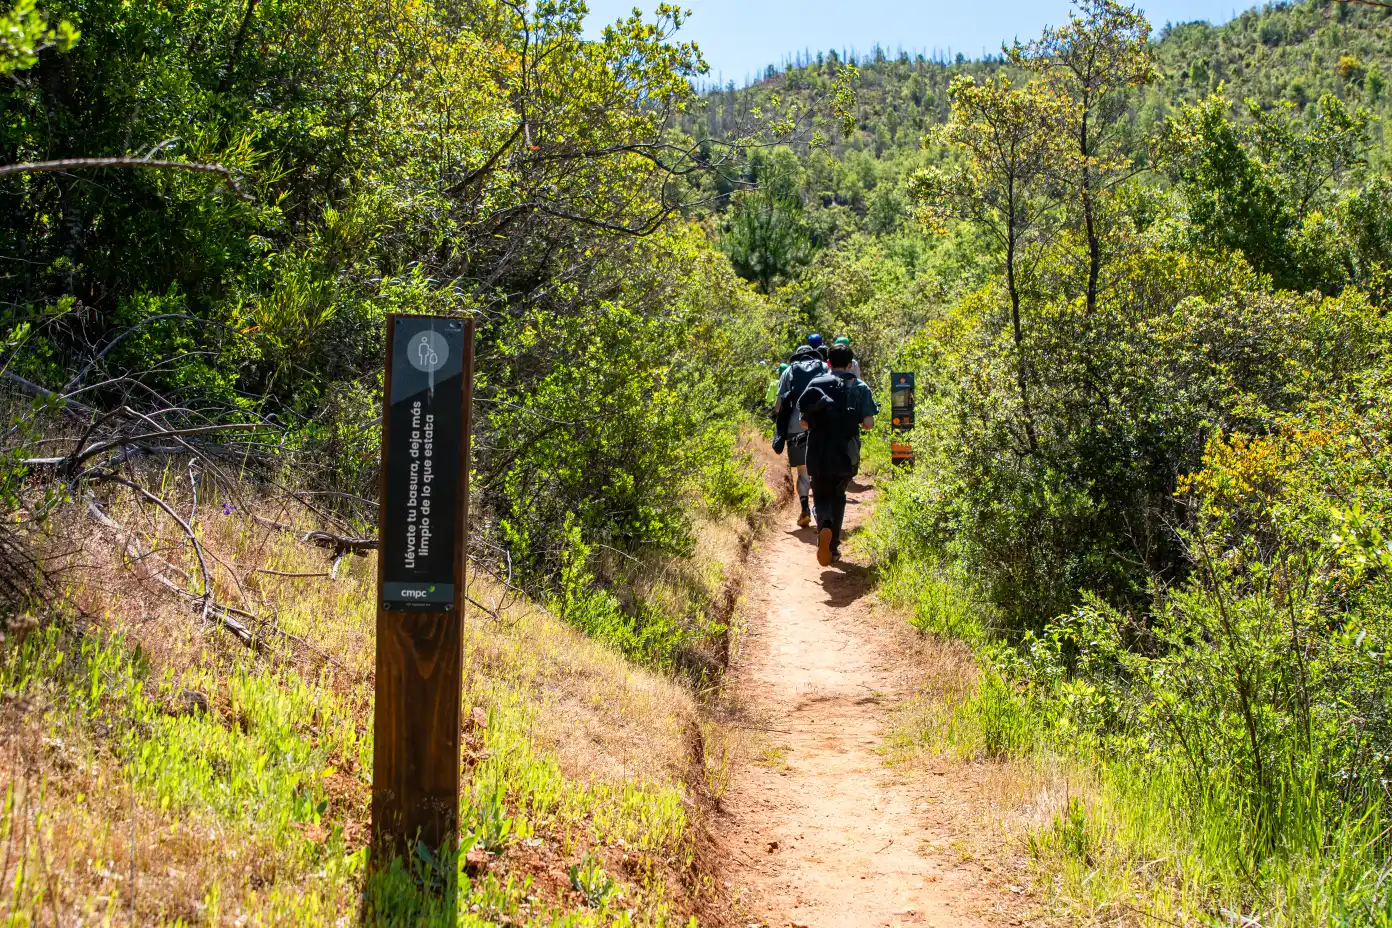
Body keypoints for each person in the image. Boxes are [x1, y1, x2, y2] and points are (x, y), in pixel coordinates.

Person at [797, 343, 878, 566]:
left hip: (818, 450)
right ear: (851, 364)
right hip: (845, 451)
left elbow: (803, 422)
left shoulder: (816, 383)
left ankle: (824, 524)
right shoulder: (859, 386)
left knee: (820, 494)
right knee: (839, 495)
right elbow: (869, 423)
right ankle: (832, 547)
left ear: (828, 363)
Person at [773, 345, 828, 527]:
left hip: (796, 427)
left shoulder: (788, 371)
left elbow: (778, 406)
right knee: (821, 469)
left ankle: (805, 508)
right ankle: (822, 511)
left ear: (797, 357)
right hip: (822, 425)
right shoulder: (824, 367)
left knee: (802, 470)